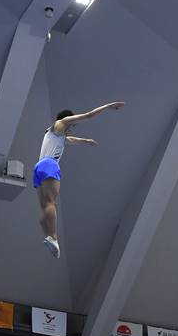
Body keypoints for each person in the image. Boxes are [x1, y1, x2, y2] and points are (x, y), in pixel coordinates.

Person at [33, 102, 125, 258]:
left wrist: (86, 141)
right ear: (68, 119)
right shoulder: (61, 123)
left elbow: (72, 140)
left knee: (44, 205)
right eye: (72, 124)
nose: (72, 127)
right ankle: (53, 237)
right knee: (51, 203)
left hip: (38, 168)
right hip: (50, 164)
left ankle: (48, 235)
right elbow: (89, 115)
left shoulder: (54, 134)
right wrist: (109, 106)